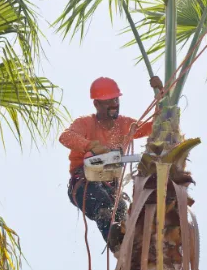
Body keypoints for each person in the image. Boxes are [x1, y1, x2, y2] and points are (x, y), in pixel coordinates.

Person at [59, 76, 163, 252]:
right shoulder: (85, 123)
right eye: (108, 101)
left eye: (116, 100)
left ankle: (132, 253)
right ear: (96, 104)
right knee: (103, 204)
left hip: (110, 187)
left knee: (122, 211)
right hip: (84, 183)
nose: (114, 104)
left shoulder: (124, 124)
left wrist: (160, 95)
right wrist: (89, 145)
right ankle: (119, 247)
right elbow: (65, 137)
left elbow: (154, 126)